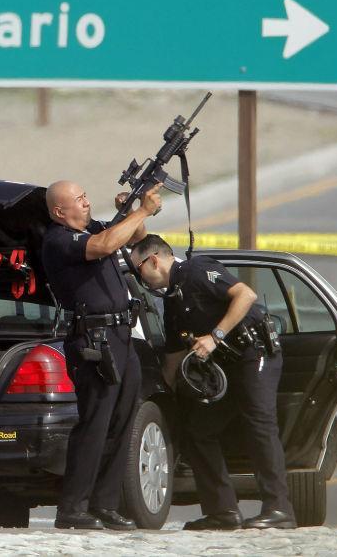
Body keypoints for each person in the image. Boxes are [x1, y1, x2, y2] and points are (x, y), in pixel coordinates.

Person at [129, 234, 296, 530]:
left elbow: (246, 295)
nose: (140, 279)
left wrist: (215, 336)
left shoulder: (196, 271)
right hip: (225, 368)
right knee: (198, 431)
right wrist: (165, 399)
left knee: (259, 423)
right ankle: (222, 512)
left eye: (138, 270)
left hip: (254, 353)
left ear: (153, 260)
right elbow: (173, 357)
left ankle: (279, 509)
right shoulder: (173, 300)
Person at [41, 180, 162, 531]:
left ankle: (105, 504)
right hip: (94, 339)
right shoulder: (59, 240)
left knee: (122, 421)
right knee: (95, 423)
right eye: (79, 200)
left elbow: (135, 239)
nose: (86, 202)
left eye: (85, 196)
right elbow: (107, 244)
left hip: (121, 335)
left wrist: (135, 209)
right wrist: (142, 210)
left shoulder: (91, 229)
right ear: (60, 212)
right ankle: (73, 508)